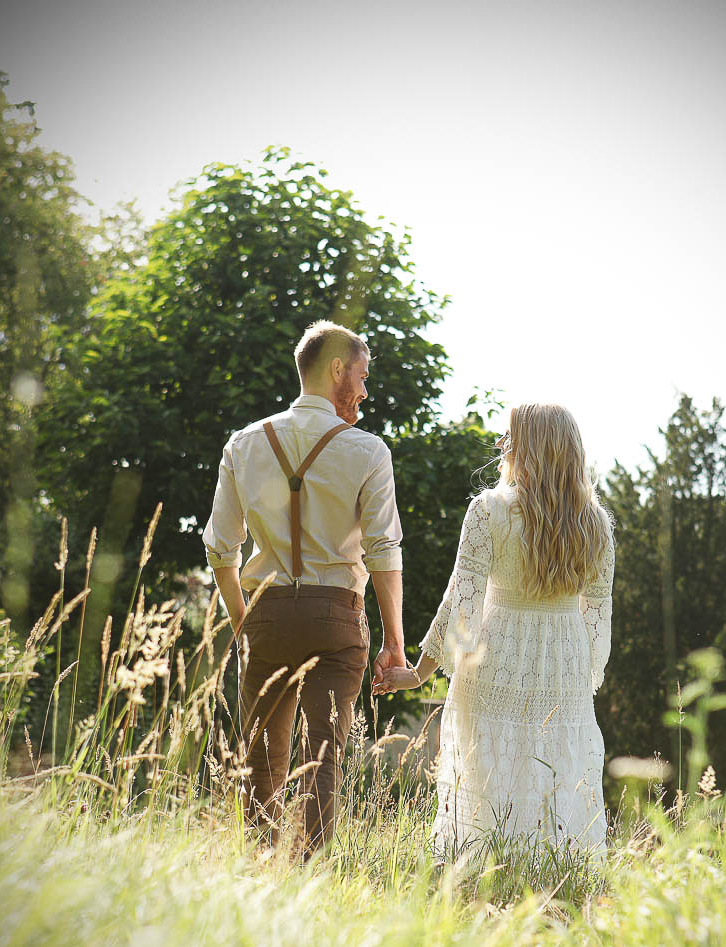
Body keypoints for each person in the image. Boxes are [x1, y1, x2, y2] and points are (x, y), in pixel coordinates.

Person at [374, 403, 614, 855]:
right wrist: (583, 677)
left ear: (532, 448)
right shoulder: (596, 525)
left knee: (491, 772)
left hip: (498, 654)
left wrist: (420, 672)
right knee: (554, 770)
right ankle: (553, 874)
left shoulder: (489, 511)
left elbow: (460, 602)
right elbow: (597, 617)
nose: (501, 445)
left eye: (509, 435)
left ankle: (481, 873)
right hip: (563, 663)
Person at [203, 320, 405, 853]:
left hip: (265, 612)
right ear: (337, 369)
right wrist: (395, 641)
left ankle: (257, 870)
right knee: (324, 760)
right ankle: (309, 877)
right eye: (361, 376)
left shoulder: (243, 444)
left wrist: (243, 618)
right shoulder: (368, 452)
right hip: (336, 617)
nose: (365, 391)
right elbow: (384, 552)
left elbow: (221, 548)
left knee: (260, 763)